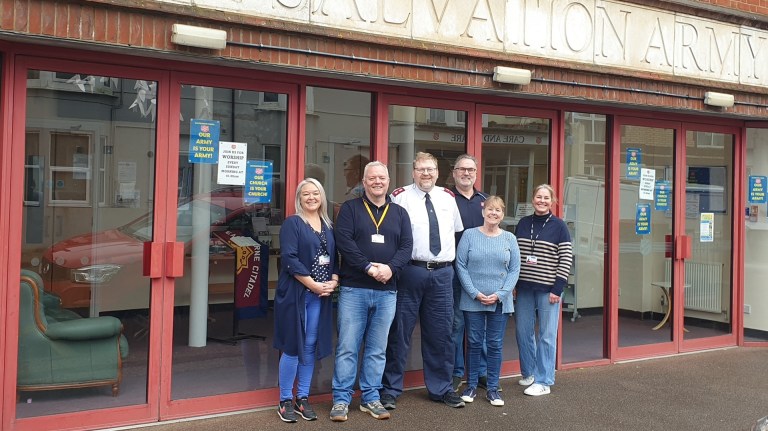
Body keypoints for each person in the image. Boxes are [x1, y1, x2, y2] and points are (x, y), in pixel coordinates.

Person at [330, 161, 413, 422]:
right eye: (372, 178)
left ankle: (370, 398)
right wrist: (367, 267)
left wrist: (390, 269)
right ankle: (341, 399)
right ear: (364, 182)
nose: (378, 182)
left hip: (387, 291)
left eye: (382, 178)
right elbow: (344, 243)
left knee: (378, 348)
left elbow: (407, 247)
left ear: (389, 181)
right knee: (347, 347)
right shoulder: (350, 210)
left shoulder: (400, 213)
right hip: (355, 288)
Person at [381, 152, 465, 409]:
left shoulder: (448, 198)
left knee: (441, 333)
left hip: (442, 273)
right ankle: (391, 390)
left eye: (430, 169)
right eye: (420, 169)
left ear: (438, 172)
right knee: (399, 332)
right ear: (413, 171)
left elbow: (456, 233)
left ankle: (441, 388)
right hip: (410, 271)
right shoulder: (399, 197)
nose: (425, 174)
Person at [273, 178, 339, 422]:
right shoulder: (293, 223)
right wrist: (312, 284)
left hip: (319, 297)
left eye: (316, 193)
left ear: (322, 197)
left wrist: (334, 280)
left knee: (310, 346)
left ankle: (302, 398)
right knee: (292, 346)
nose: (311, 198)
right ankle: (284, 401)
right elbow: (289, 258)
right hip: (297, 295)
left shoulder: (328, 225)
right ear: (299, 199)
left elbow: (334, 259)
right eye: (306, 194)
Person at [455, 196, 520, 407]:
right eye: (490, 209)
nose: (493, 213)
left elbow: (514, 269)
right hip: (473, 299)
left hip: (500, 301)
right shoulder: (469, 235)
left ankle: (493, 389)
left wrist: (501, 294)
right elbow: (460, 265)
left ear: (502, 214)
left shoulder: (510, 238)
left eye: (498, 210)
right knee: (473, 343)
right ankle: (471, 386)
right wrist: (474, 293)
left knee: (494, 345)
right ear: (483, 212)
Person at [514, 184, 573, 397]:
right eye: (538, 196)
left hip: (549, 289)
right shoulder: (523, 223)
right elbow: (515, 255)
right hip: (524, 288)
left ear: (552, 201)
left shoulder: (559, 226)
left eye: (546, 198)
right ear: (532, 199)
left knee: (547, 335)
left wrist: (558, 288)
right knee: (523, 331)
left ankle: (544, 380)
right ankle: (529, 373)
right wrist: (513, 284)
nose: (542, 200)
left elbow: (566, 259)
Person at [449, 154, 490, 393]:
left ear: (476, 173)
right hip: (453, 273)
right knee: (456, 324)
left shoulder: (485, 201)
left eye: (471, 170)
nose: (466, 173)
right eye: (462, 169)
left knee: (480, 326)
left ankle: (481, 372)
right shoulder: (445, 199)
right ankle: (456, 372)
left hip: (481, 275)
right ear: (454, 173)